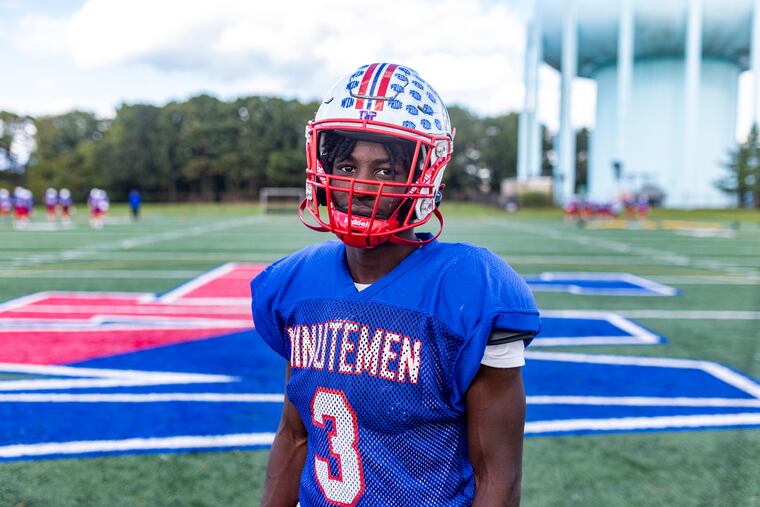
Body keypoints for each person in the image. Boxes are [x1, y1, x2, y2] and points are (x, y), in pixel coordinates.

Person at [251, 63, 541, 506]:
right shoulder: (297, 283)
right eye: (347, 164)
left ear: (425, 174)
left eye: (385, 171)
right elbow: (294, 437)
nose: (360, 185)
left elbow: (497, 476)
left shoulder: (469, 288)